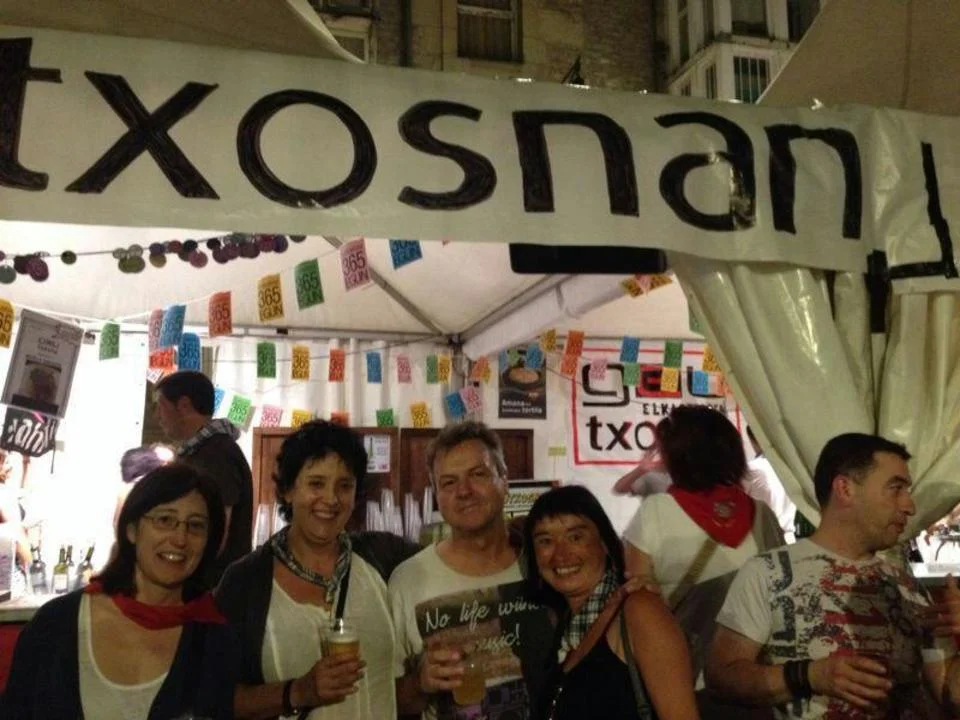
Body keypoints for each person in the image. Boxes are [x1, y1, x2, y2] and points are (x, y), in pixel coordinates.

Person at [706, 432, 960, 719]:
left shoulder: (908, 588)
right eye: (895, 488)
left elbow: (951, 697)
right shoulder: (768, 572)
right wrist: (810, 675)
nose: (909, 506)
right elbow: (722, 677)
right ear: (845, 488)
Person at [216, 420, 418, 720]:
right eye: (316, 484)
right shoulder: (245, 582)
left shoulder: (383, 559)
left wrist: (424, 680)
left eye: (344, 486)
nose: (331, 499)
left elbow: (392, 688)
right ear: (288, 490)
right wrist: (298, 692)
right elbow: (217, 699)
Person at [1, 462, 237, 719]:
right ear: (132, 530)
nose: (180, 539)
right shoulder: (56, 623)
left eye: (196, 526)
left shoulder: (213, 639)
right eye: (165, 520)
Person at [389, 421, 554, 720]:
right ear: (437, 495)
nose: (464, 491)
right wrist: (420, 683)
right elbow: (386, 703)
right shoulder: (407, 580)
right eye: (448, 483)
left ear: (504, 480)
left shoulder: (547, 566)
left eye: (478, 475)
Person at [622, 406, 783, 687]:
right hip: (755, 679)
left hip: (685, 680)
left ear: (677, 457)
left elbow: (639, 607)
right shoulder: (761, 514)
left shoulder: (655, 512)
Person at [525, 485, 699, 719]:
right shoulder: (563, 626)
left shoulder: (639, 610)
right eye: (545, 541)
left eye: (575, 537)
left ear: (605, 542)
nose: (561, 555)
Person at [155, 370, 253, 582]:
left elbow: (217, 530)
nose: (157, 417)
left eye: (161, 407)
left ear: (183, 406)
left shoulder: (216, 453)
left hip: (212, 587)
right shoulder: (200, 452)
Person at [744, 426, 797, 543]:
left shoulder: (753, 469)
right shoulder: (788, 465)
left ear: (753, 441)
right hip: (792, 536)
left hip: (770, 538)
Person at [114, 443, 176, 529]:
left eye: (169, 463)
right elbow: (119, 524)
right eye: (160, 461)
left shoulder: (175, 491)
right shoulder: (130, 490)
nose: (164, 466)